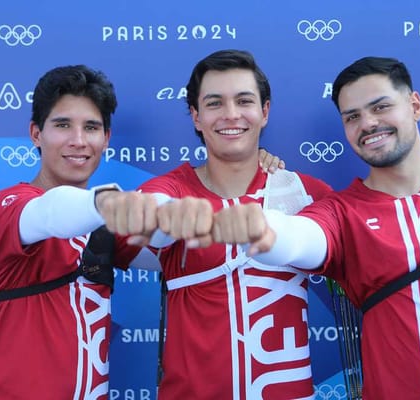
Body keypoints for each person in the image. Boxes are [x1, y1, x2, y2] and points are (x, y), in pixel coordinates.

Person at [203, 57, 420, 399]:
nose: (369, 123)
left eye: (381, 107)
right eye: (353, 117)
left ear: (414, 105)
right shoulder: (342, 211)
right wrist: (259, 226)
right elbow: (300, 238)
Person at [0, 64, 284, 399]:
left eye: (91, 127)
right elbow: (50, 212)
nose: (78, 140)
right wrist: (111, 205)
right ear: (35, 134)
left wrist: (247, 166)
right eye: (62, 125)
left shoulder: (105, 228)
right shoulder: (10, 206)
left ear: (106, 139)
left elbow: (187, 255)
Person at [135, 49, 333, 399]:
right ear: (196, 117)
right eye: (214, 103)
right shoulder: (171, 189)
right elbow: (149, 212)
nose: (231, 115)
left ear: (264, 111)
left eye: (244, 101)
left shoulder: (305, 193)